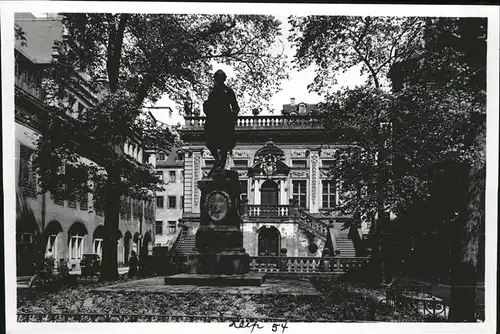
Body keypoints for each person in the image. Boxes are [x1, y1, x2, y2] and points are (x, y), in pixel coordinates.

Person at [203, 69, 240, 173]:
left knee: (224, 145)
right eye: (216, 78)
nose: (218, 80)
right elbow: (209, 107)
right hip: (214, 121)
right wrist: (206, 106)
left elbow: (236, 107)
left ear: (223, 79)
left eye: (220, 78)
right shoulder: (212, 92)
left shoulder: (228, 91)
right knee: (210, 143)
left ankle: (221, 166)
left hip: (225, 121)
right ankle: (218, 161)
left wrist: (232, 115)